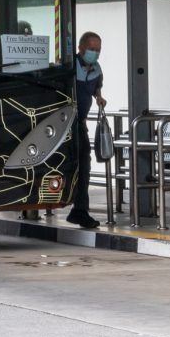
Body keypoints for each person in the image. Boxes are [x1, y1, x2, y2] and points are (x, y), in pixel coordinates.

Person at [67, 31, 105, 229]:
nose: (95, 53)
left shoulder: (96, 69)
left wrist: (99, 97)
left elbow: (97, 87)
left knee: (84, 165)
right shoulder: (70, 66)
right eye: (92, 49)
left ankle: (80, 210)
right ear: (81, 48)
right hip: (64, 124)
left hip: (80, 124)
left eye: (98, 49)